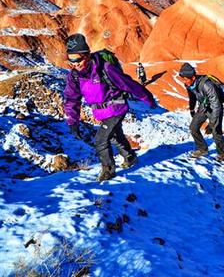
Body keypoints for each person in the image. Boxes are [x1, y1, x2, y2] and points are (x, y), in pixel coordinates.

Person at [63, 34, 156, 182]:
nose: (75, 64)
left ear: (86, 55)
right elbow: (71, 99)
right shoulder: (74, 76)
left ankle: (108, 171)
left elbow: (127, 83)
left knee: (100, 139)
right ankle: (130, 157)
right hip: (101, 112)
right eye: (71, 60)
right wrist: (72, 121)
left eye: (78, 59)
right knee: (115, 136)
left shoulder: (105, 68)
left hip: (117, 107)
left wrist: (146, 97)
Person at [179, 63, 224, 161]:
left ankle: (222, 153)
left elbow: (216, 104)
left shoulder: (207, 85)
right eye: (183, 79)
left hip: (215, 107)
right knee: (193, 127)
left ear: (193, 77)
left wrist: (212, 123)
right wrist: (192, 109)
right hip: (204, 106)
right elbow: (192, 96)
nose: (184, 81)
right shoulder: (189, 84)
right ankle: (202, 149)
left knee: (216, 131)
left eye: (185, 79)